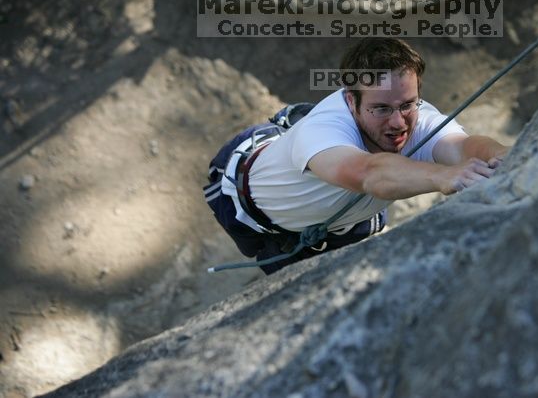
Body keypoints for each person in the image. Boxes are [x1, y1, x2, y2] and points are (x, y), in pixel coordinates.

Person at [203, 38, 508, 274]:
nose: (399, 122)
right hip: (241, 200)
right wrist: (442, 176)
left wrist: (507, 155)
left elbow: (462, 146)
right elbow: (368, 173)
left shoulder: (417, 116)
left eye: (407, 104)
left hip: (340, 226)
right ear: (351, 101)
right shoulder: (321, 133)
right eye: (381, 109)